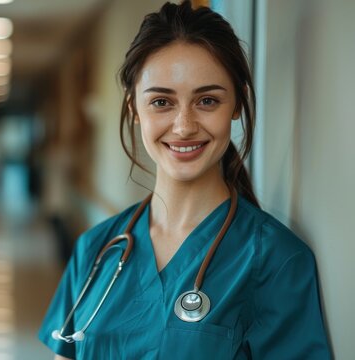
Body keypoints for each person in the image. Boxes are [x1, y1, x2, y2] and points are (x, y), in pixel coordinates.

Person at [38, 2, 331, 359]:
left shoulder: (276, 261)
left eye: (207, 100)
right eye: (161, 101)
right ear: (133, 108)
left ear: (236, 103)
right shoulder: (97, 249)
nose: (184, 125)